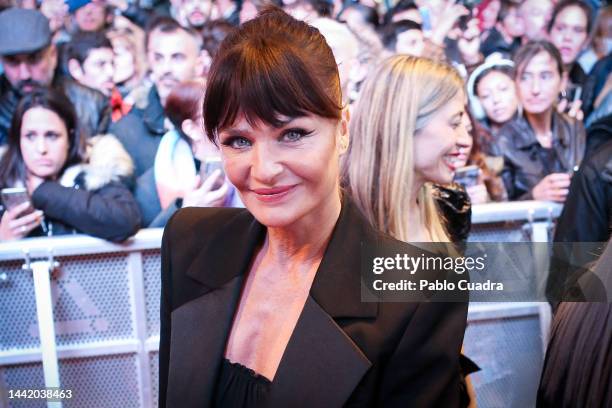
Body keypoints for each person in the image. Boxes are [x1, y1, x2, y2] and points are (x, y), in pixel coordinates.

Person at [159, 8, 467, 407]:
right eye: (238, 140)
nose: (264, 169)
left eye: (292, 134)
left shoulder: (420, 293)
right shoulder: (190, 240)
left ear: (342, 130)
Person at [0, 88, 140, 241]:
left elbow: (125, 221)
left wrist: (45, 191)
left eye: (52, 136)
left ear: (69, 138)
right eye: (30, 136)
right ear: (18, 140)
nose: (41, 149)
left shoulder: (95, 168)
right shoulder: (4, 176)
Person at [134, 80, 239, 227]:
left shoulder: (247, 163)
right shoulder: (153, 183)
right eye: (216, 112)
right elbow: (148, 244)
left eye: (231, 109)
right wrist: (186, 211)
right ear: (191, 129)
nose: (230, 118)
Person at [110, 16, 205, 178]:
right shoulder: (126, 129)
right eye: (159, 58)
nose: (165, 68)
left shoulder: (219, 121)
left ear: (199, 65)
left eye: (177, 57)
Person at [0, 8, 110, 145]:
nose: (25, 74)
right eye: (13, 62)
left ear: (53, 55)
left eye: (34, 59)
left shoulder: (93, 105)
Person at [498, 41, 586, 201]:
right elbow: (496, 212)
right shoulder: (502, 142)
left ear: (562, 80)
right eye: (525, 77)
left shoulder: (574, 128)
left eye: (545, 76)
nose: (535, 89)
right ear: (515, 83)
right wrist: (533, 196)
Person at [547, 0, 594, 105]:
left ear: (586, 41)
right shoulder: (525, 73)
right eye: (560, 28)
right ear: (549, 32)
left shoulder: (586, 84)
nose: (568, 37)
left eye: (577, 30)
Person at [466, 58, 518, 151]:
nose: (496, 99)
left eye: (503, 89)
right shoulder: (476, 145)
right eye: (486, 96)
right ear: (477, 105)